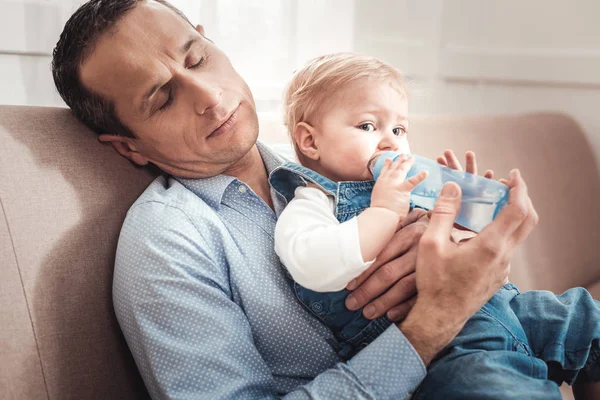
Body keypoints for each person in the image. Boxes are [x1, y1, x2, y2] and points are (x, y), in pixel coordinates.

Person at [51, 1, 541, 398]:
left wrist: (465, 237)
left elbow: (468, 235)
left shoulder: (332, 160)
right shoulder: (166, 243)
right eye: (162, 98)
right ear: (128, 146)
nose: (210, 96)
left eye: (198, 58)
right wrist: (435, 319)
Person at [271, 52, 600, 398]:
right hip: (448, 348)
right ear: (310, 141)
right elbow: (313, 264)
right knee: (493, 386)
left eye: (399, 129)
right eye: (368, 126)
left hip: (506, 307)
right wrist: (383, 212)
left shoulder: (411, 185)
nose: (389, 141)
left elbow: (464, 250)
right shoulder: (312, 204)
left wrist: (468, 211)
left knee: (585, 315)